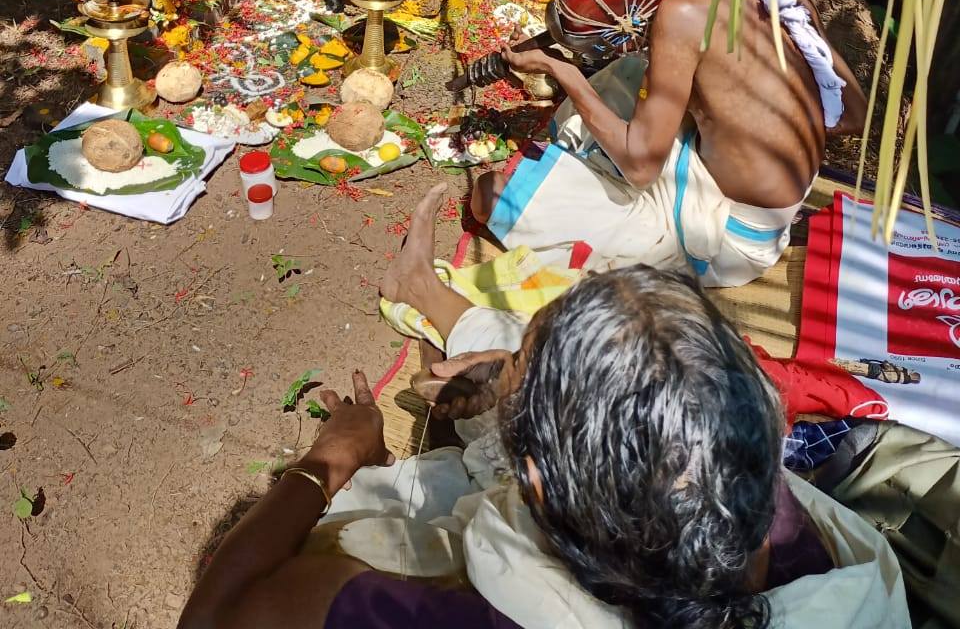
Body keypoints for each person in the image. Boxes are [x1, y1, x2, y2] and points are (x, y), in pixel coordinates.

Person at [178, 190, 908, 629]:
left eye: (518, 383)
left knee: (363, 528)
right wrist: (520, 385)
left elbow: (214, 619)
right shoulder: (770, 513)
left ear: (535, 486)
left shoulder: (464, 617)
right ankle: (439, 302)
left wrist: (330, 459)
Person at [467, 0, 867, 287]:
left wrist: (560, 71)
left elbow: (640, 168)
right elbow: (849, 115)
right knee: (628, 74)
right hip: (768, 215)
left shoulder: (683, 14)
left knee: (491, 195)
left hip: (724, 240)